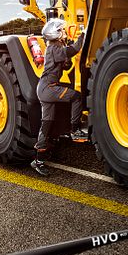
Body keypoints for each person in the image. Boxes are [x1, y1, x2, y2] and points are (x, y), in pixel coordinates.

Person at [30, 18, 86, 176]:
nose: (64, 31)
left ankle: (38, 161)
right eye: (62, 29)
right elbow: (70, 52)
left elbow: (65, 63)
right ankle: (75, 130)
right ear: (56, 33)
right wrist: (83, 36)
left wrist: (67, 60)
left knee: (46, 125)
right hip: (48, 88)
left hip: (45, 88)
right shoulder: (54, 46)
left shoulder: (55, 46)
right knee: (76, 96)